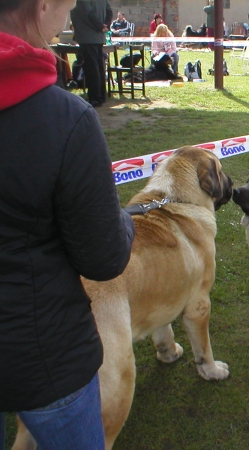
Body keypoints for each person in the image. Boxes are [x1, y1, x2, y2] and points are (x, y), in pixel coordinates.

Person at [0, 0, 135, 447]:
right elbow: (104, 257)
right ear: (42, 7)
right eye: (69, 5)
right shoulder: (66, 119)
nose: (71, 14)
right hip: (43, 352)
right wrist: (124, 220)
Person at [71, 0, 112, 108]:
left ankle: (95, 97)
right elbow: (109, 11)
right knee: (99, 67)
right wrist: (106, 25)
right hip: (99, 37)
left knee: (91, 68)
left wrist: (100, 26)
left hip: (87, 36)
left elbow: (87, 13)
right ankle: (101, 95)